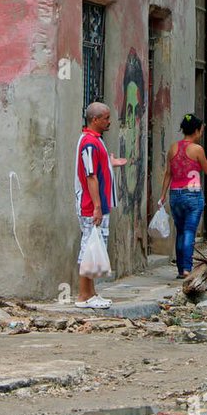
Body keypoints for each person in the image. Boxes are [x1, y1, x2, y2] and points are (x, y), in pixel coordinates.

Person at [74, 102, 127, 309]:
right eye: (105, 118)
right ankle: (83, 295)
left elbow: (96, 168)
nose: (109, 122)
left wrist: (109, 164)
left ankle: (91, 293)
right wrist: (96, 206)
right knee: (88, 248)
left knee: (93, 248)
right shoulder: (89, 143)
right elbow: (90, 176)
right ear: (95, 119)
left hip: (98, 204)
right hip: (91, 205)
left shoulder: (95, 141)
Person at [158, 114, 207, 278]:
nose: (201, 134)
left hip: (175, 195)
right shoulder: (197, 149)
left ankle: (181, 269)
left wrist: (163, 195)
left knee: (180, 231)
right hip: (192, 195)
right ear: (196, 131)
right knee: (189, 231)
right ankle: (187, 268)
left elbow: (168, 173)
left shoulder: (173, 148)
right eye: (201, 131)